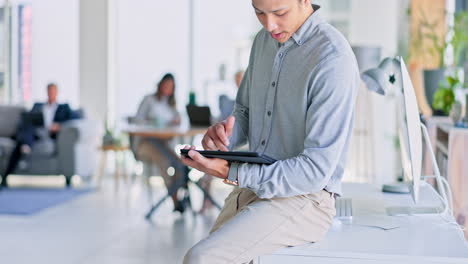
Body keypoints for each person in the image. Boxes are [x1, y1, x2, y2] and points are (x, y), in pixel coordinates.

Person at [181, 1, 359, 263]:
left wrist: (231, 172)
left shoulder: (333, 58)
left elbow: (315, 170)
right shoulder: (262, 42)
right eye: (259, 13)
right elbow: (244, 111)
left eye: (279, 13)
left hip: (306, 199)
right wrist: (226, 135)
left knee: (202, 258)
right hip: (256, 187)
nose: (269, 25)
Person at [1, 83, 80, 188]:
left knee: (21, 142)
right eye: (49, 91)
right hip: (36, 133)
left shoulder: (64, 107)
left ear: (57, 93)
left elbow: (77, 117)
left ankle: (25, 147)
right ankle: (24, 147)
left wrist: (59, 125)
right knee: (27, 130)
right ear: (46, 92)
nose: (51, 93)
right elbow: (27, 119)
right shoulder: (38, 105)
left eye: (53, 91)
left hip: (50, 135)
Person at [134, 73, 187, 213]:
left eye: (171, 86)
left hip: (164, 143)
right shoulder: (149, 100)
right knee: (165, 162)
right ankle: (175, 200)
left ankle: (178, 196)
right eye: (166, 84)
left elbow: (179, 123)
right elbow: (137, 120)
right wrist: (153, 122)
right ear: (160, 84)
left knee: (181, 164)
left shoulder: (171, 106)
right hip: (146, 143)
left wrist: (175, 122)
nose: (167, 88)